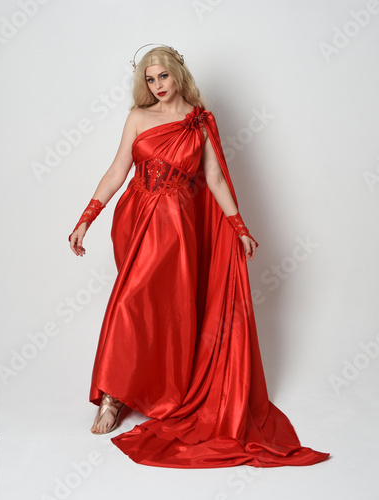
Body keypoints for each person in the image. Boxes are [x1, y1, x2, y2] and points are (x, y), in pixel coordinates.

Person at [68, 44, 330, 468]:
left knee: (170, 310)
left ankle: (163, 389)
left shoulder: (200, 122)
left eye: (163, 77)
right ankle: (112, 397)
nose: (157, 86)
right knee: (131, 302)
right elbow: (118, 169)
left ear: (178, 75)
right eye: (150, 80)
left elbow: (214, 178)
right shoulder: (137, 117)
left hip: (178, 227)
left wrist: (239, 227)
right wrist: (86, 218)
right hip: (137, 220)